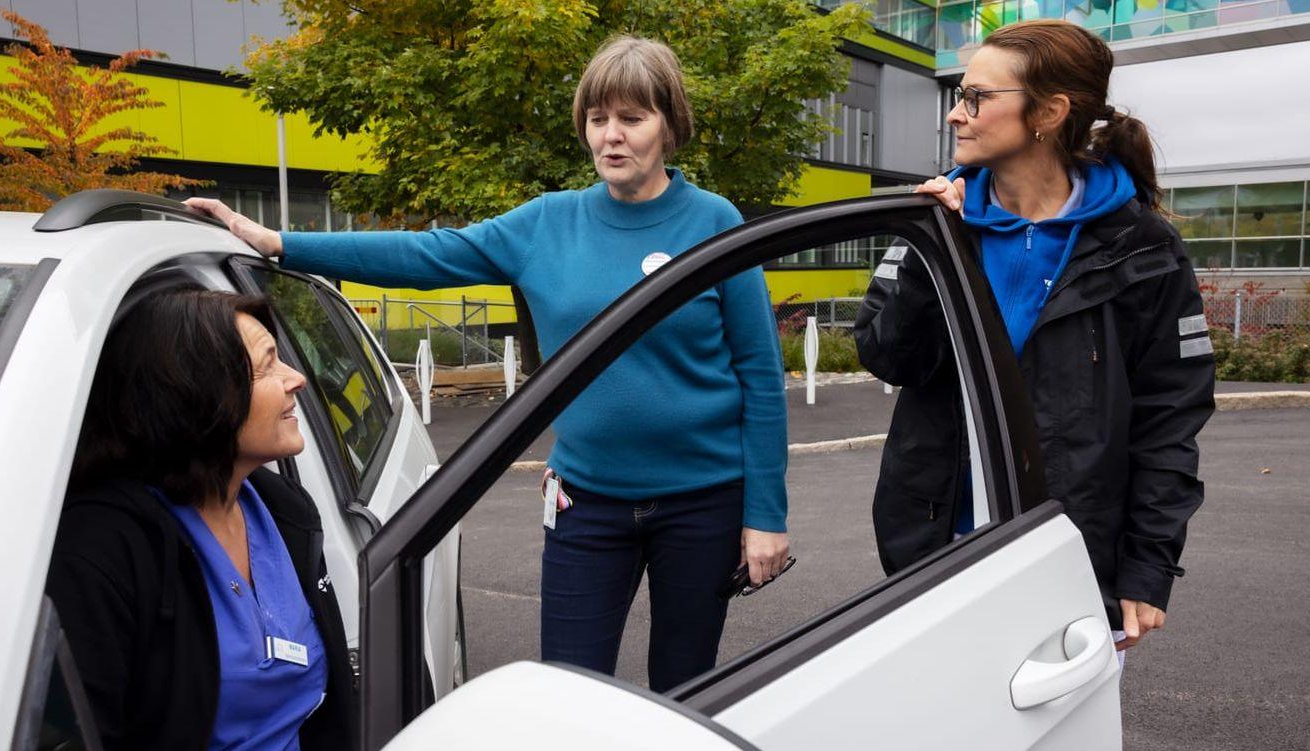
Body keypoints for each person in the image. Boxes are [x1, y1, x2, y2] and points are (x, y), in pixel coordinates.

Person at [185, 35, 788, 692]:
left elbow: (760, 376)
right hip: (587, 502)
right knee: (566, 690)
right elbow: (425, 257)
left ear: (669, 125)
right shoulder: (547, 223)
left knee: (685, 685)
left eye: (632, 118)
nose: (611, 137)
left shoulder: (714, 221)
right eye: (597, 119)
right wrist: (279, 242)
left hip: (701, 504)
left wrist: (766, 515)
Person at [856, 20, 1215, 653]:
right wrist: (934, 247)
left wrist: (1147, 569)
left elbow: (1170, 421)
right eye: (958, 96)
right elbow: (888, 356)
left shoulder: (1143, 249)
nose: (954, 117)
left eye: (975, 98)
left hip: (1069, 560)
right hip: (937, 552)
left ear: (1049, 112)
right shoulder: (938, 220)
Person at [46, 287, 357, 749]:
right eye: (268, 364)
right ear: (200, 392)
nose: (298, 380)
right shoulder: (102, 552)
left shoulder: (284, 510)